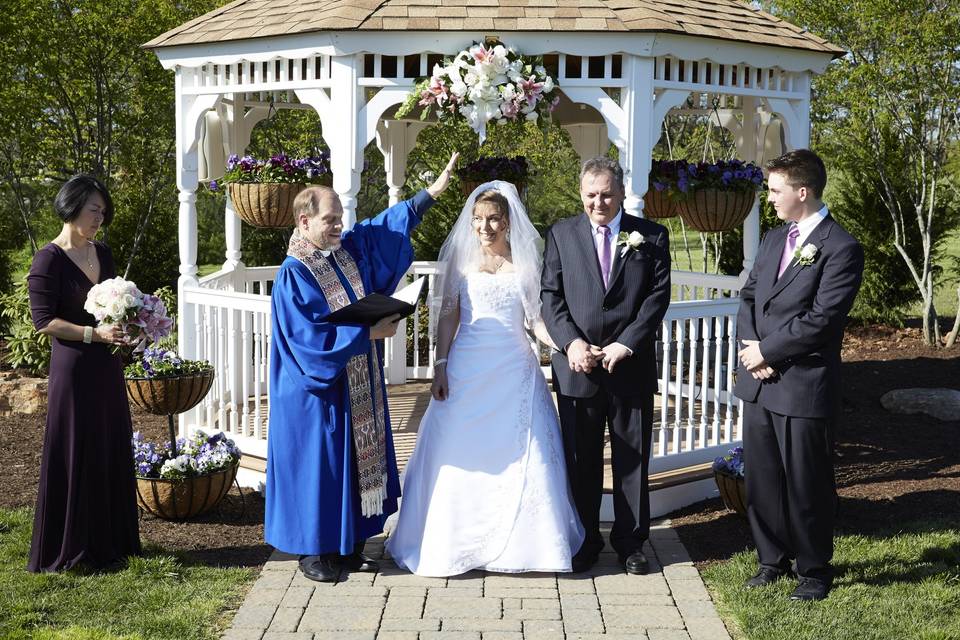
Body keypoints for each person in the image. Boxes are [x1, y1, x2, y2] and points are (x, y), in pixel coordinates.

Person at [266, 153, 458, 583]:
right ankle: (313, 551)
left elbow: (380, 230)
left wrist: (430, 194)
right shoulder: (294, 274)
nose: (339, 226)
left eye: (340, 218)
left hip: (355, 382)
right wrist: (364, 336)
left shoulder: (343, 253)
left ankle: (349, 546)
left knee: (354, 461)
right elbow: (306, 338)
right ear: (303, 222)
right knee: (322, 466)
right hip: (314, 390)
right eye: (330, 220)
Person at [386, 182, 584, 576]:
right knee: (456, 449)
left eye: (493, 219)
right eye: (478, 219)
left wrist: (565, 345)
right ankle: (450, 541)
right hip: (467, 368)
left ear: (507, 221)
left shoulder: (526, 266)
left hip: (515, 370)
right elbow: (448, 316)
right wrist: (440, 364)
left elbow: (534, 321)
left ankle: (528, 547)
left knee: (529, 455)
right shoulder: (461, 261)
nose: (485, 227)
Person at [734, 149, 863, 601]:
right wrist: (753, 351)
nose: (768, 198)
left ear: (802, 191)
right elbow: (749, 296)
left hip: (803, 383)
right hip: (759, 381)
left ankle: (813, 569)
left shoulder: (841, 247)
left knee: (807, 482)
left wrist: (770, 352)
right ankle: (771, 560)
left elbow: (823, 319)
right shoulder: (773, 240)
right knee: (763, 478)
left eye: (775, 190)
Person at [540, 157, 671, 575]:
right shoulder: (561, 234)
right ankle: (585, 540)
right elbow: (550, 296)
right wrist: (571, 343)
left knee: (631, 460)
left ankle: (631, 543)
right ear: (581, 193)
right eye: (591, 194)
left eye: (607, 194)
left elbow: (656, 298)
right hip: (578, 368)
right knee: (581, 460)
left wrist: (626, 344)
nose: (599, 202)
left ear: (620, 192)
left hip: (627, 367)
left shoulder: (651, 236)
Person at [26, 174, 140, 573]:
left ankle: (111, 543)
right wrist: (94, 333)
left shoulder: (102, 254)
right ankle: (72, 549)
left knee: (108, 443)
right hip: (73, 369)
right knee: (76, 448)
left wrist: (131, 324)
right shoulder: (49, 259)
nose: (99, 219)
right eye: (94, 210)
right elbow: (44, 322)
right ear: (72, 206)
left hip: (106, 365)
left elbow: (112, 308)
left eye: (103, 212)